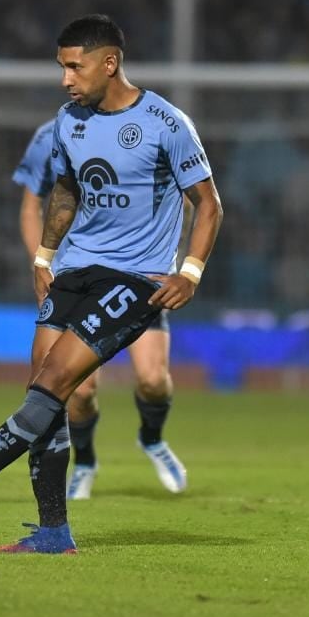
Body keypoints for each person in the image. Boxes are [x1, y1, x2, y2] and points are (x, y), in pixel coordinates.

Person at [0, 15, 223, 552]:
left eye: (74, 66)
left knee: (53, 386)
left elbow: (209, 203)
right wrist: (44, 256)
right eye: (61, 67)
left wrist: (190, 270)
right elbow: (65, 189)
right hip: (73, 271)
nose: (65, 79)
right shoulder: (69, 121)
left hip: (135, 280)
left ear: (108, 63)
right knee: (44, 394)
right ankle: (53, 530)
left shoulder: (165, 121)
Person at [14, 119, 187, 499]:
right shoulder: (51, 134)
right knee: (79, 392)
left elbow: (189, 195)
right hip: (78, 277)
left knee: (153, 380)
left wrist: (172, 257)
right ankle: (87, 462)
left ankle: (152, 439)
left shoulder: (147, 127)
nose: (69, 80)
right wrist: (42, 265)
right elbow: (32, 207)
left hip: (135, 275)